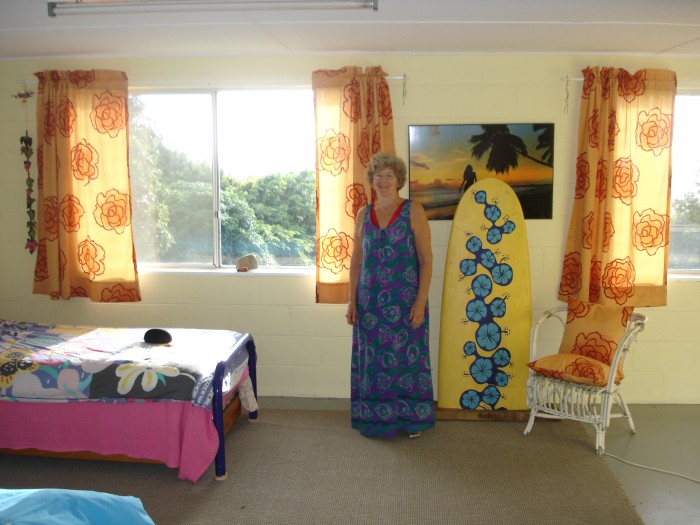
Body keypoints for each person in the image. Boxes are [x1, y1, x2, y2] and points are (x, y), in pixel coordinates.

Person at [346, 152, 436, 439]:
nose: (383, 181)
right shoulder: (363, 214)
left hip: (406, 304)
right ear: (371, 180)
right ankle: (374, 421)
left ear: (398, 180)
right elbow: (357, 260)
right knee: (373, 363)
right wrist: (351, 300)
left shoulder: (413, 211)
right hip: (369, 305)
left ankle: (410, 422)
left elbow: (426, 259)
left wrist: (420, 301)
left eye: (389, 176)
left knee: (407, 363)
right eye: (378, 175)